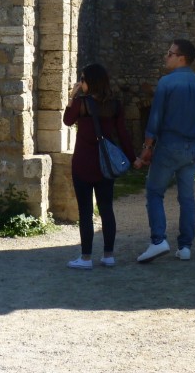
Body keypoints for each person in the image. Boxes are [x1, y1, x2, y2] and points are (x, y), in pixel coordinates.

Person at [134, 39, 195, 263]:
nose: (166, 56)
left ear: (181, 57)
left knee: (155, 192)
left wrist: (147, 149)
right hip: (191, 148)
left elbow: (155, 119)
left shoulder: (166, 83)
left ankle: (158, 240)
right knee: (187, 198)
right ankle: (185, 246)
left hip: (168, 145)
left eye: (170, 53)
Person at [62, 63, 136, 270]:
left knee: (85, 211)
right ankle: (108, 255)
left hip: (83, 162)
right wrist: (133, 158)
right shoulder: (114, 105)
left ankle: (86, 258)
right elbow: (123, 135)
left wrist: (72, 97)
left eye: (83, 79)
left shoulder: (81, 103)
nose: (81, 82)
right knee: (106, 209)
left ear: (89, 82)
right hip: (105, 163)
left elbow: (67, 121)